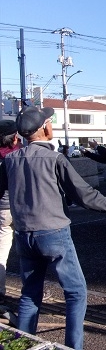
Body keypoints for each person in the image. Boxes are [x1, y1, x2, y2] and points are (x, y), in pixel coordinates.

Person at [0, 106, 106, 349]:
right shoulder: (55, 159)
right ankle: (72, 347)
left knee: (30, 294)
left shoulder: (10, 160)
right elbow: (84, 195)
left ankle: (21, 344)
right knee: (76, 292)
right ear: (45, 128)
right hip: (54, 232)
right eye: (50, 121)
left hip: (24, 234)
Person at [0, 121, 20, 303]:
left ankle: (0, 292)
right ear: (14, 137)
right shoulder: (19, 155)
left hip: (2, 210)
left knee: (2, 253)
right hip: (22, 208)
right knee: (30, 253)